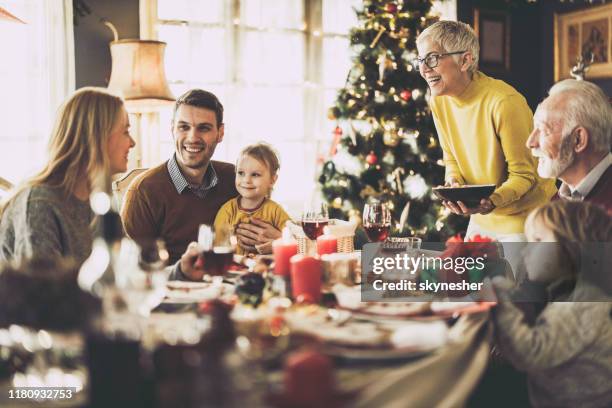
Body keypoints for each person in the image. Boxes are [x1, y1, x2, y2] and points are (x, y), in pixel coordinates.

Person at [415, 21, 556, 242]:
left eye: (432, 59)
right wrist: (454, 183)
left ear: (465, 60)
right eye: (421, 60)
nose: (424, 68)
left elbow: (524, 176)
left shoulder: (504, 102)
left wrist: (492, 201)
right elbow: (451, 157)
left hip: (527, 220)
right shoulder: (438, 100)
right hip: (483, 217)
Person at [121, 89, 281, 269]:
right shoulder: (143, 192)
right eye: (184, 127)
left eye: (203, 128)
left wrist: (279, 240)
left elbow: (270, 225)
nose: (192, 138)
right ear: (172, 129)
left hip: (234, 289)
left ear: (220, 133)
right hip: (176, 294)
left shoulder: (237, 180)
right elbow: (137, 273)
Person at [491, 200, 612, 408]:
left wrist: (498, 297)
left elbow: (529, 353)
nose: (525, 252)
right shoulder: (569, 294)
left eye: (538, 241)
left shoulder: (583, 304)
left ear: (574, 247)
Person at [0, 87, 135, 266]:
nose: (132, 143)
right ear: (97, 136)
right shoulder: (39, 204)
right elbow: (43, 290)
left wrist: (180, 270)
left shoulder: (100, 201)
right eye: (125, 131)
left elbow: (127, 272)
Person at [526, 79, 611, 214]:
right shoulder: (559, 200)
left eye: (543, 130)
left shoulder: (606, 214)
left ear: (578, 140)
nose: (530, 143)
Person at [214, 143, 291, 255]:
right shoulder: (228, 210)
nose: (246, 180)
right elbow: (217, 244)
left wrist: (277, 242)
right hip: (235, 268)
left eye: (255, 175)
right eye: (241, 173)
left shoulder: (275, 211)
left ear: (272, 180)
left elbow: (292, 237)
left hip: (266, 267)